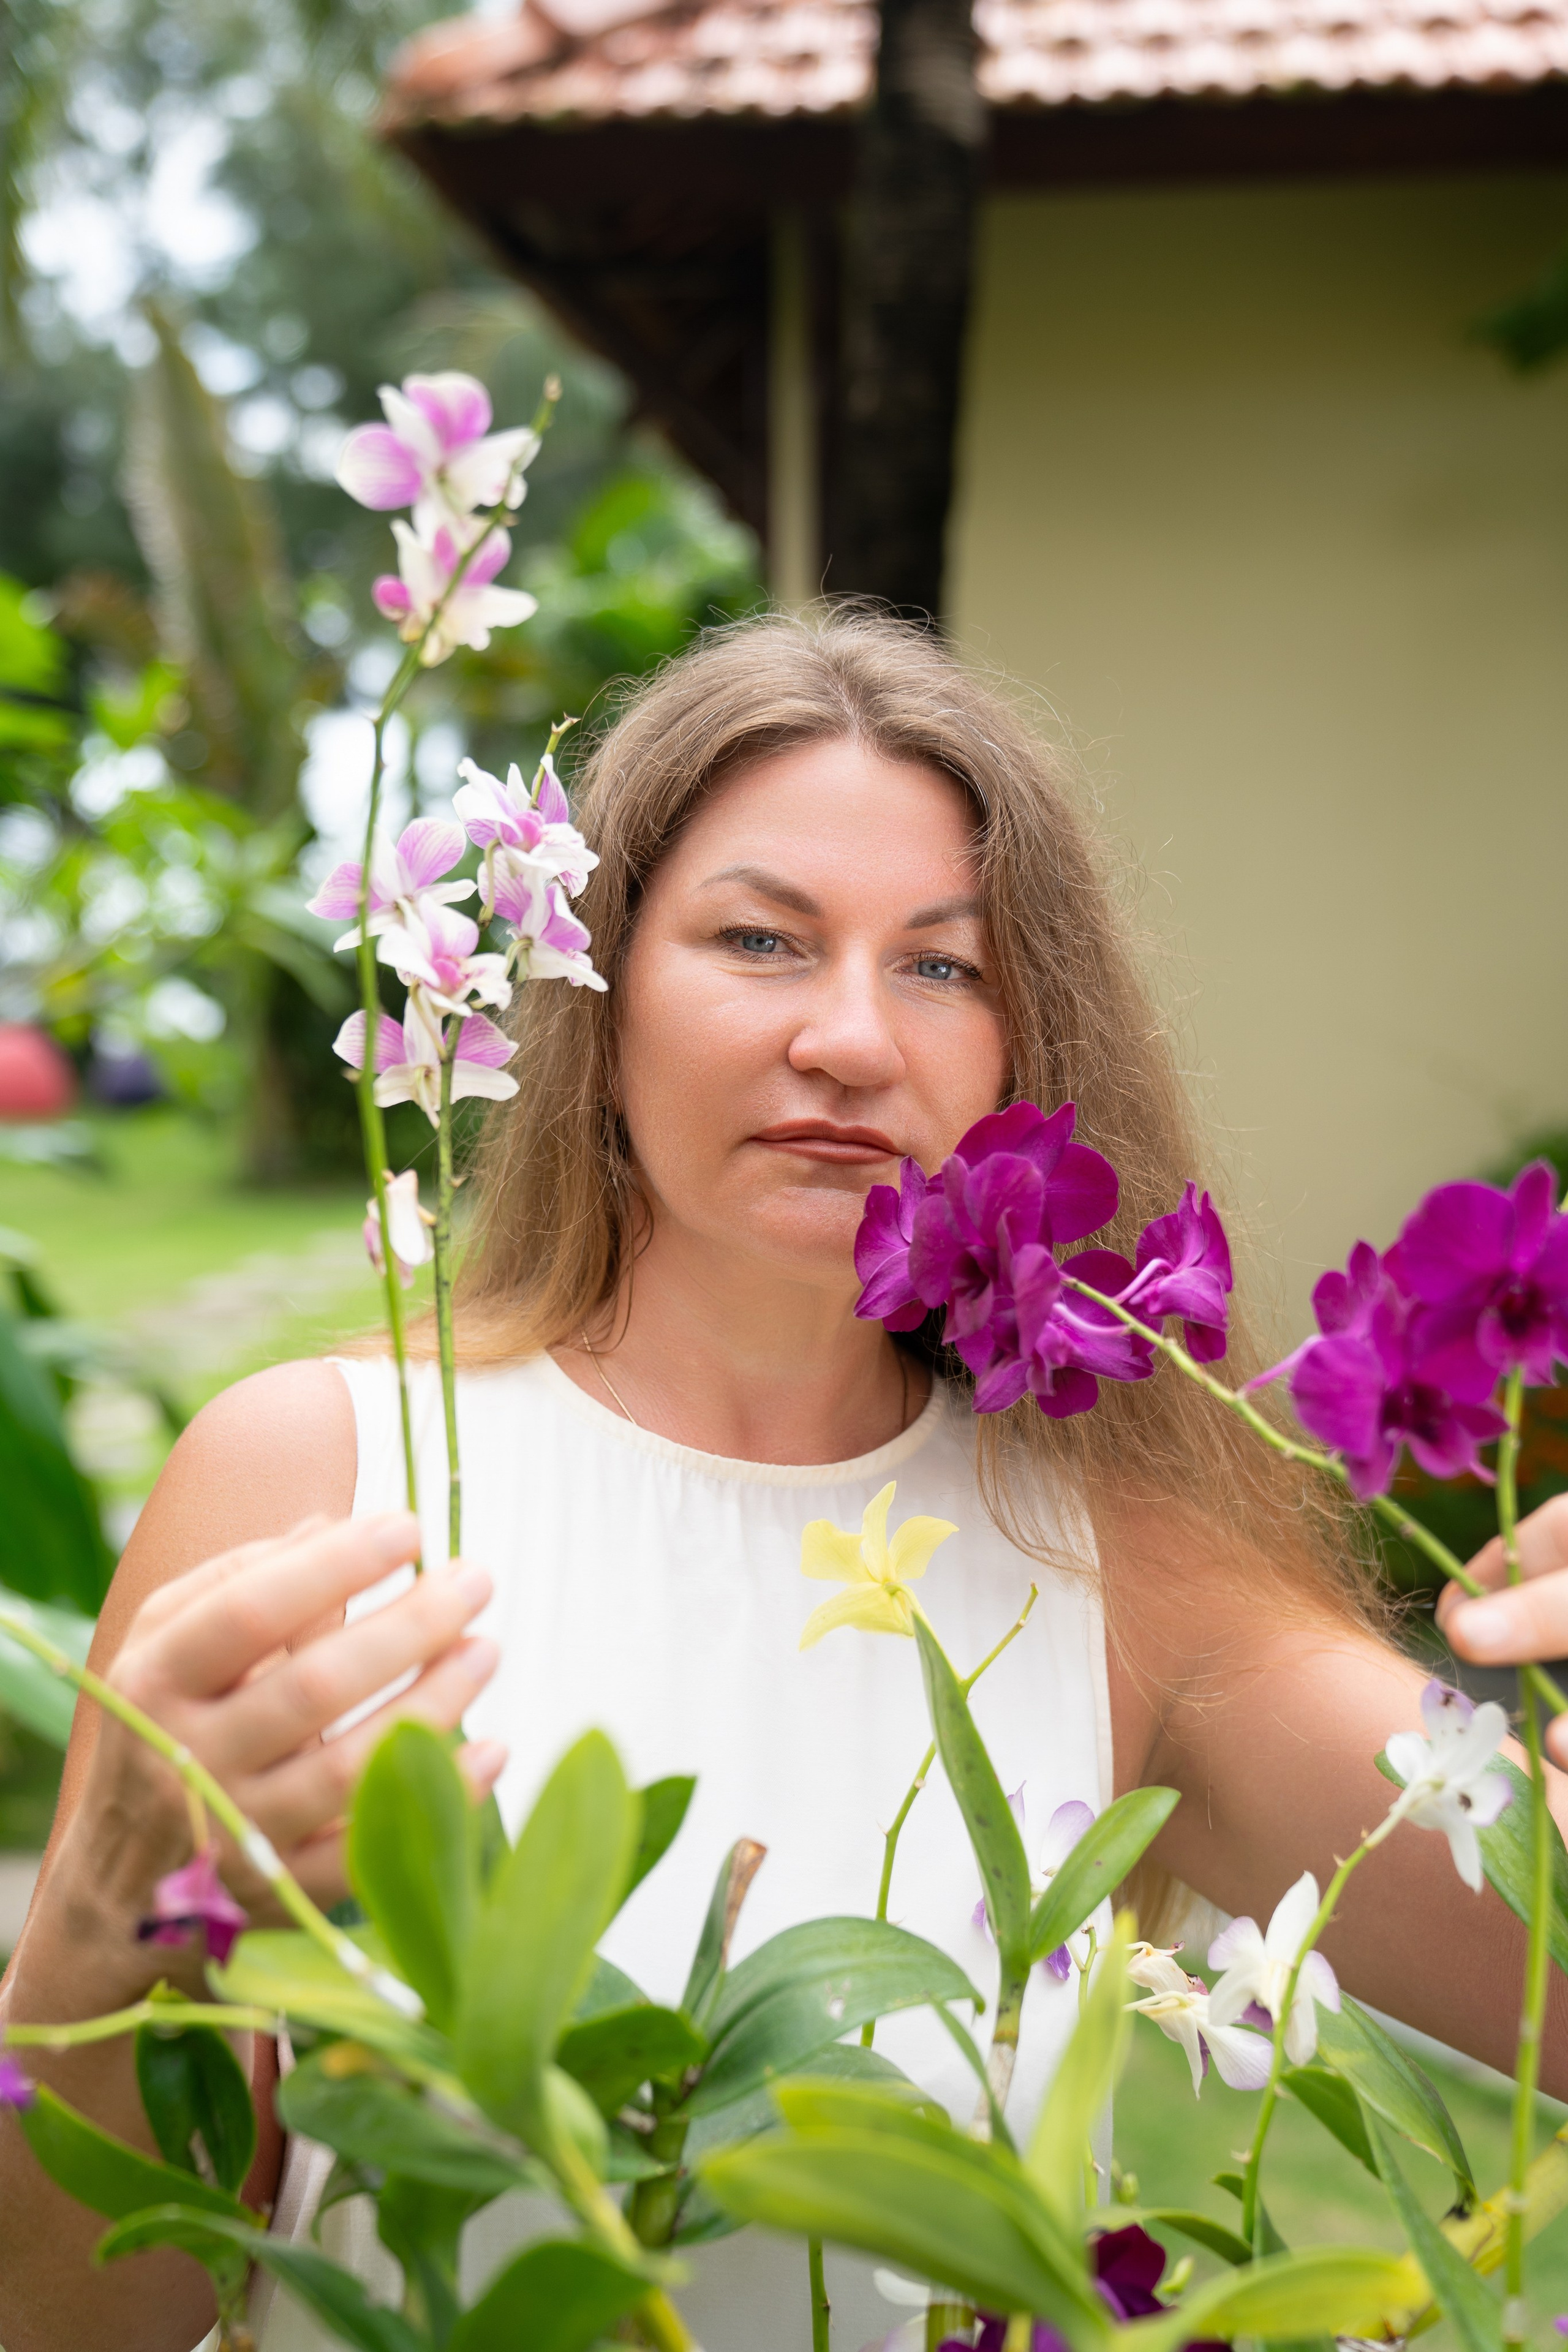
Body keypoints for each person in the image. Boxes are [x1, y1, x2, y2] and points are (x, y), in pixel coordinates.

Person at [1, 611, 1564, 2352]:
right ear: (592, 992)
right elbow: (71, 2315)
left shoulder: (1116, 1557)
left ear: (1021, 1052)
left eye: (942, 966)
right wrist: (86, 1935)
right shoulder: (323, 1478)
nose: (849, 1039)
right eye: (759, 939)